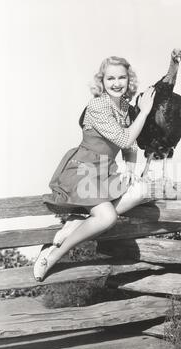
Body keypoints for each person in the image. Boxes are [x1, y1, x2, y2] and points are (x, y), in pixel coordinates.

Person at [34, 56, 156, 282]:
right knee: (107, 217)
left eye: (122, 77)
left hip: (105, 172)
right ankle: (53, 254)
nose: (116, 83)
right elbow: (124, 138)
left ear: (129, 80)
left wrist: (130, 168)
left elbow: (132, 146)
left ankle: (77, 222)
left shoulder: (126, 109)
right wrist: (145, 112)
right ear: (102, 81)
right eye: (110, 78)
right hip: (83, 170)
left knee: (141, 190)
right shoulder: (98, 105)